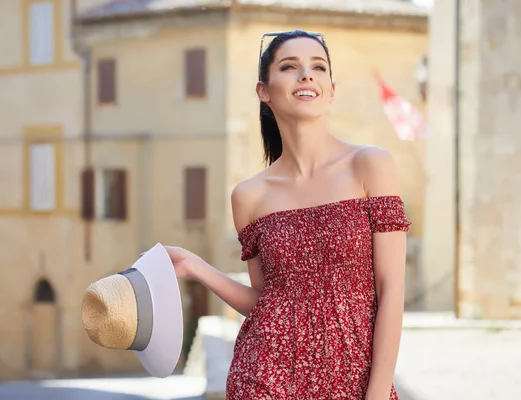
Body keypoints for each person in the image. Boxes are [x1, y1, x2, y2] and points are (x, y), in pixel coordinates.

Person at [160, 30, 410, 400]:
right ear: (264, 91)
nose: (306, 75)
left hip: (355, 381)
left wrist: (374, 395)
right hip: (265, 377)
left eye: (318, 67)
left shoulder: (369, 165)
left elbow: (391, 292)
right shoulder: (249, 196)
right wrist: (196, 267)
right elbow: (266, 299)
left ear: (331, 89)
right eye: (290, 66)